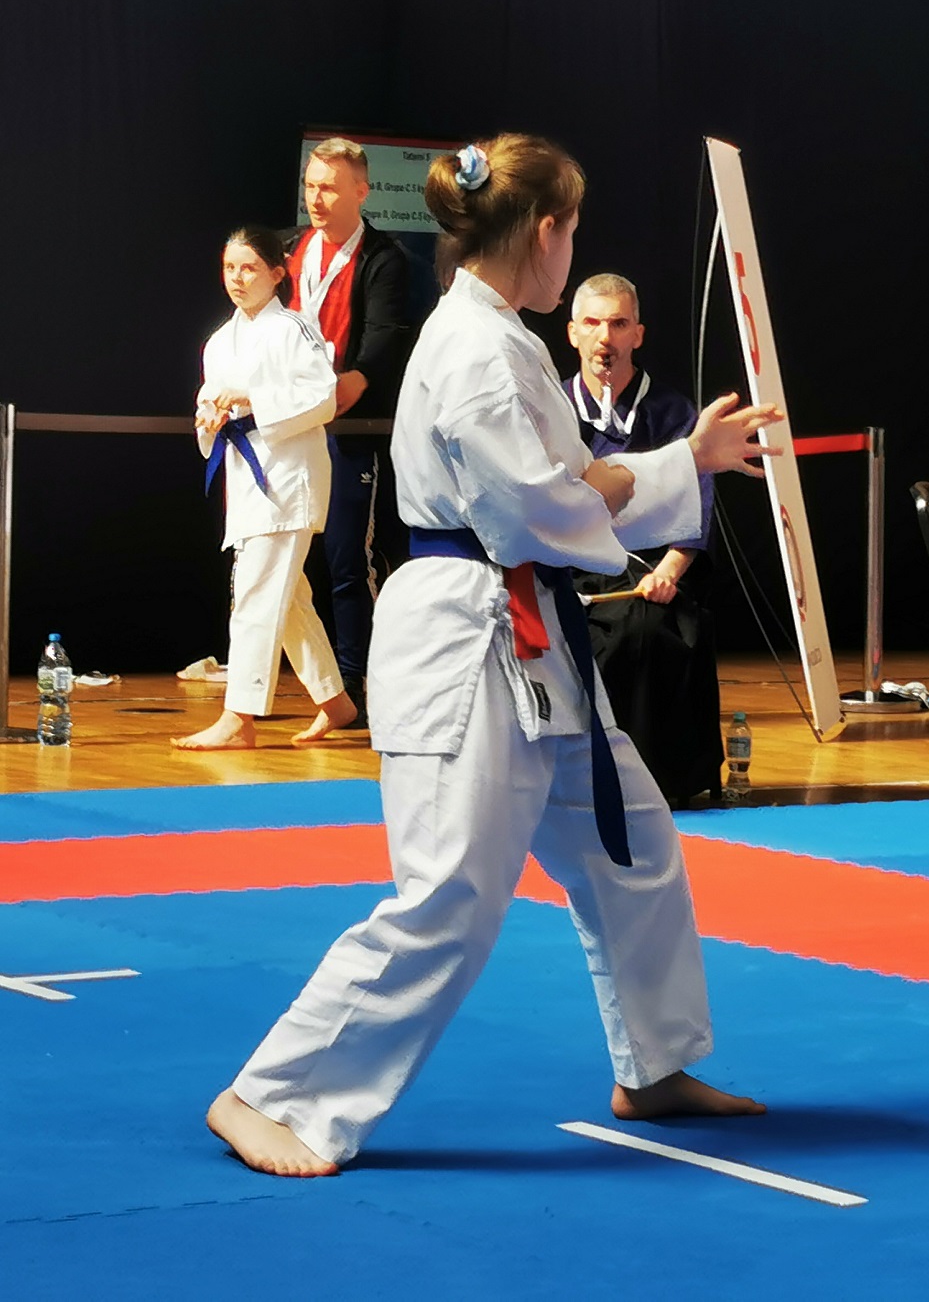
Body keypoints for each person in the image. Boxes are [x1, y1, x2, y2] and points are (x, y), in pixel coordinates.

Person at [207, 133, 779, 1177]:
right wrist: (675, 465)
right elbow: (540, 510)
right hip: (466, 637)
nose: (574, 253)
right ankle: (271, 1094)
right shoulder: (475, 350)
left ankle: (654, 1066)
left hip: (530, 637)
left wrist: (678, 461)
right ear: (545, 231)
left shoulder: (504, 338)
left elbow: (569, 488)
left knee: (634, 850)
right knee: (450, 897)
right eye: (574, 230)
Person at [174, 227, 357, 751]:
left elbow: (322, 397)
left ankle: (240, 714)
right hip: (246, 476)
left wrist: (253, 398)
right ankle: (335, 701)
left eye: (249, 267)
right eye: (229, 267)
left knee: (255, 594)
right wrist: (210, 417)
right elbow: (211, 403)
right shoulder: (219, 341)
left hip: (289, 478)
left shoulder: (294, 328)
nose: (237, 278)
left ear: (277, 274)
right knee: (289, 599)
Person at [563, 273, 724, 803]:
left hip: (651, 571)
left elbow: (697, 508)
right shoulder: (552, 409)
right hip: (570, 566)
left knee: (646, 630)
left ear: (638, 334)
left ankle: (656, 782)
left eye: (618, 324)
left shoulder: (675, 414)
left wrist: (668, 573)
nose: (604, 337)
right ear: (573, 333)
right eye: (592, 323)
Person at [287, 136, 415, 723]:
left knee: (346, 559)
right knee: (279, 559)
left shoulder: (384, 258)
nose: (316, 198)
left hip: (351, 428)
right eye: (311, 185)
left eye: (330, 188)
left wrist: (348, 385)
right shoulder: (289, 250)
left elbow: (384, 339)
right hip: (290, 427)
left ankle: (354, 682)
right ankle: (278, 686)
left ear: (361, 192)